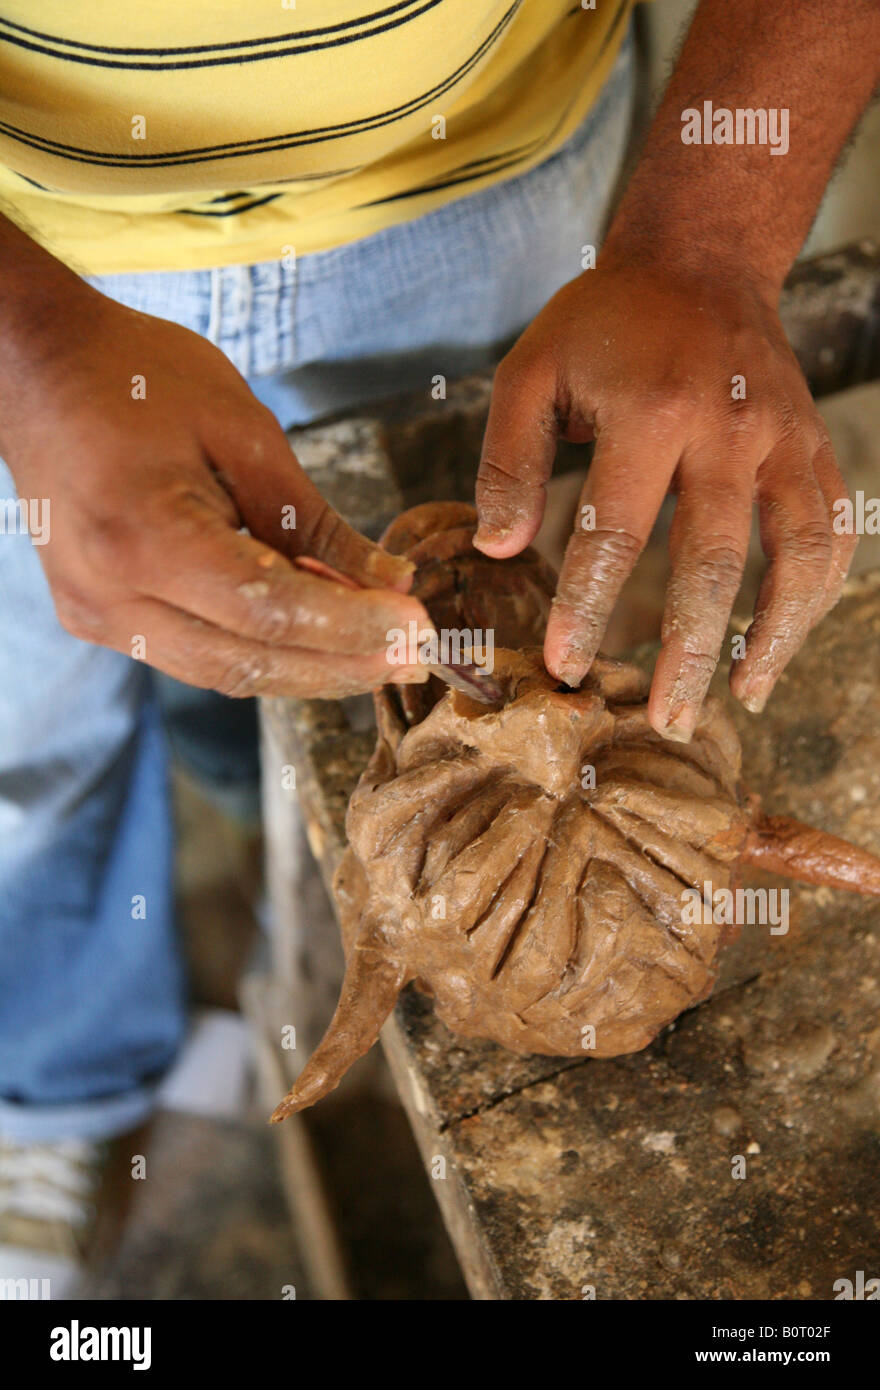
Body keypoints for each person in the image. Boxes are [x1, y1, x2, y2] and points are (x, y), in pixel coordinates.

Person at [0, 1, 877, 1295]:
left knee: (277, 673)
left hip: (485, 190)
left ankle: (245, 826)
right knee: (29, 743)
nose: (537, 706)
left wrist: (710, 236)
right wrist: (20, 347)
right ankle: (50, 1090)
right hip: (40, 239)